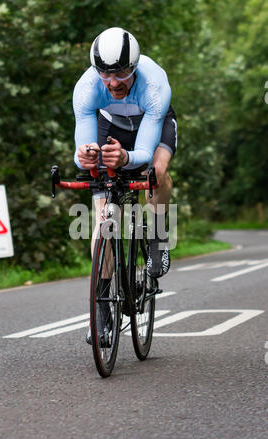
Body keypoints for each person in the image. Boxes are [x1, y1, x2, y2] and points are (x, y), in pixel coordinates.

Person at [72, 27, 177, 344]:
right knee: (104, 218)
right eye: (105, 74)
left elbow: (143, 154)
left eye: (120, 74)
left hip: (150, 128)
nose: (113, 82)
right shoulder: (88, 89)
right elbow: (82, 151)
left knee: (155, 173)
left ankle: (158, 237)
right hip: (110, 126)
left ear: (134, 66)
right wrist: (86, 157)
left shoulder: (154, 84)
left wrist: (126, 157)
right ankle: (102, 313)